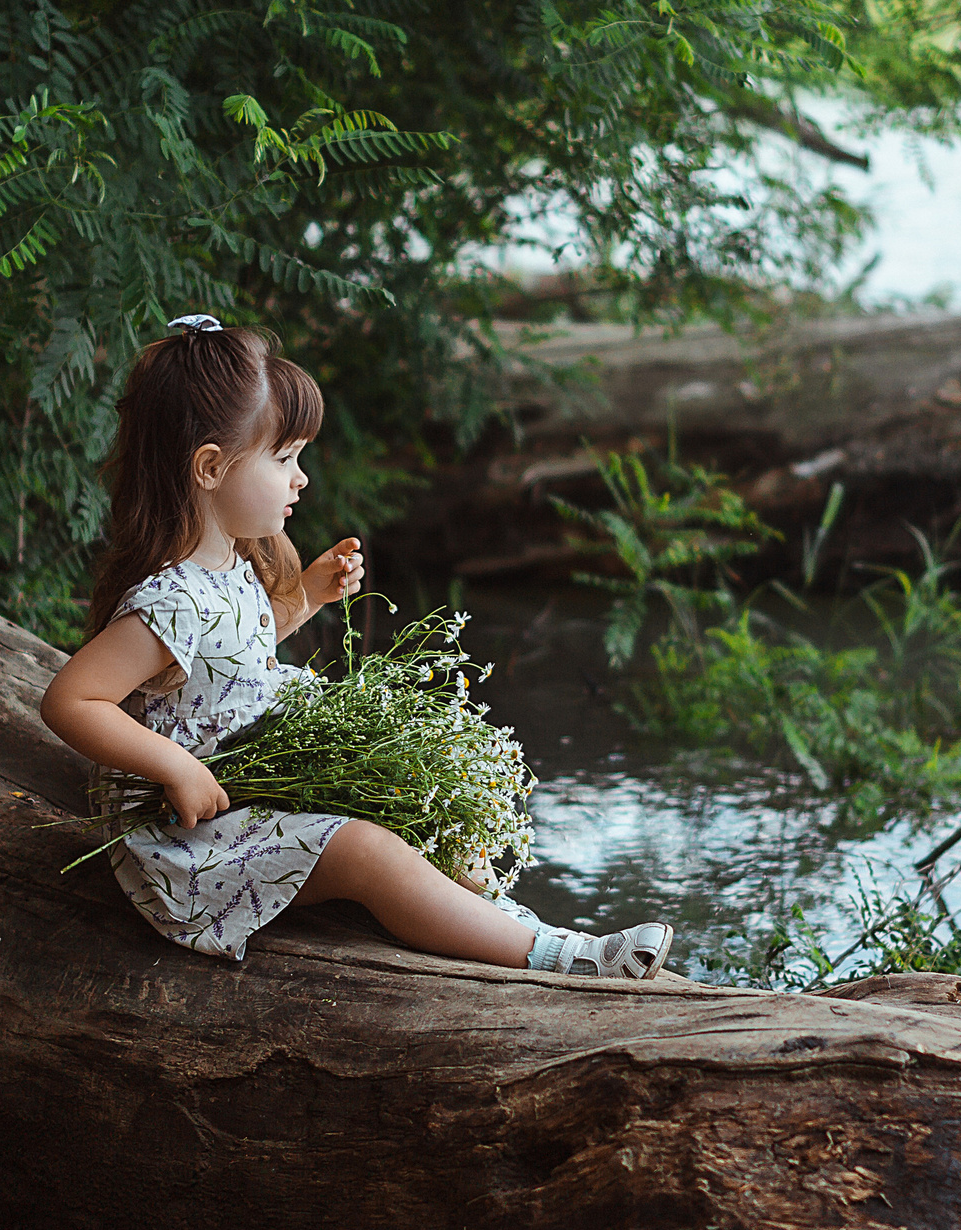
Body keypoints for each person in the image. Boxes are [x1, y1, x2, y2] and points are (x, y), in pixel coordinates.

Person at [40, 315, 675, 979]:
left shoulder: (228, 564)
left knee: (417, 797)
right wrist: (174, 765)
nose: (301, 479)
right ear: (209, 468)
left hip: (248, 783)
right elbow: (73, 699)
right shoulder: (170, 599)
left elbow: (231, 662)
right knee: (369, 851)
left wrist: (308, 597)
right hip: (192, 839)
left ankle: (518, 925)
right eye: (284, 459)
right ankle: (556, 959)